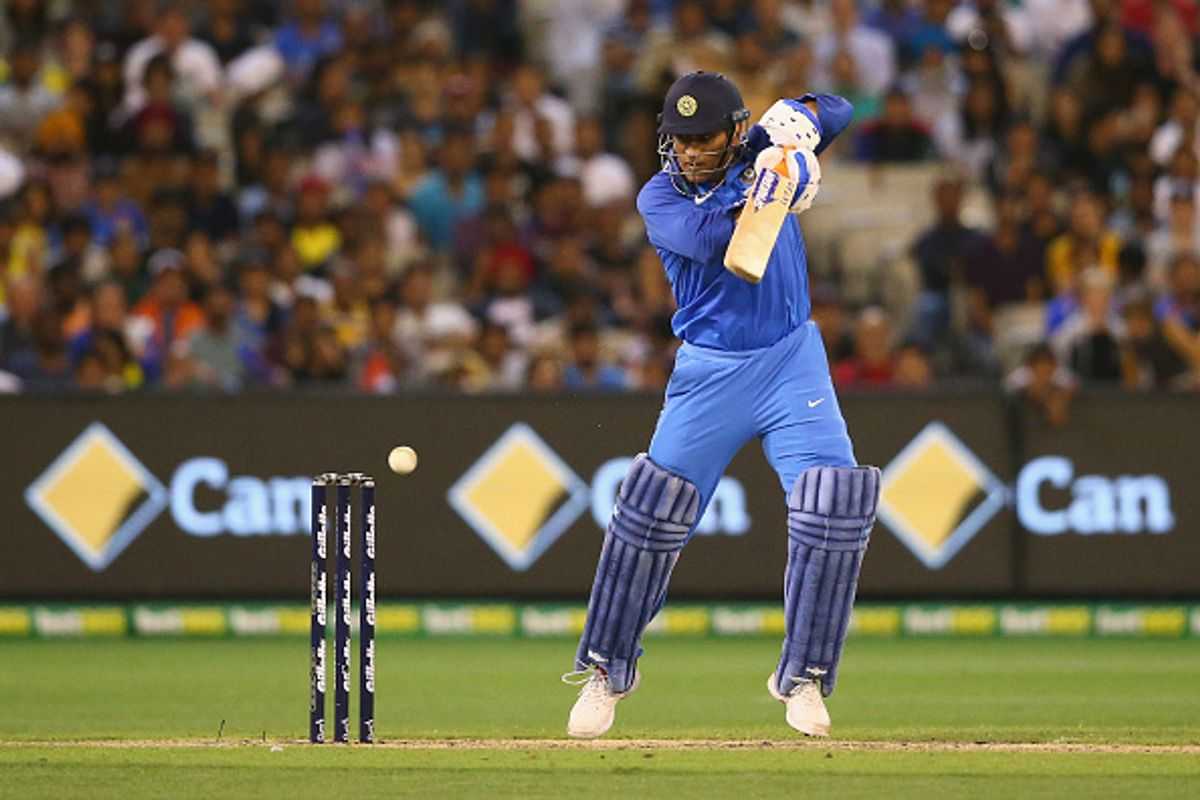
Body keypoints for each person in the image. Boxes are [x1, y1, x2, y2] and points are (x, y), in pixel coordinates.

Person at [563, 72, 880, 740]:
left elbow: (839, 109)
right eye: (678, 139)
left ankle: (804, 676)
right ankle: (607, 671)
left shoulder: (760, 149)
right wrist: (775, 186)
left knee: (834, 505)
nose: (688, 151)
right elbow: (722, 245)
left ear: (734, 132)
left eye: (702, 138)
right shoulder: (658, 198)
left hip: (792, 360)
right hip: (710, 371)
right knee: (649, 514)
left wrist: (795, 130)